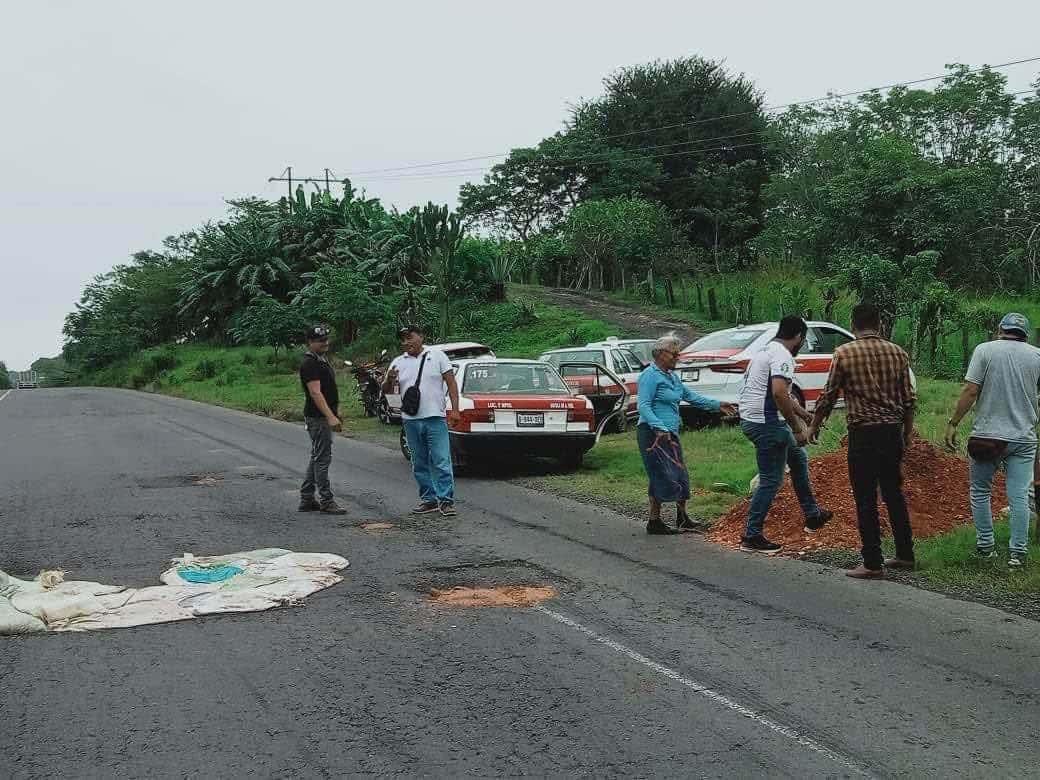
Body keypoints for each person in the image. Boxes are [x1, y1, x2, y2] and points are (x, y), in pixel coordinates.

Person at [809, 304, 916, 579]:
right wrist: (906, 433)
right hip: (891, 431)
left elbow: (829, 395)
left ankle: (872, 562)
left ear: (853, 324)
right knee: (894, 493)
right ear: (879, 324)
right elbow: (908, 400)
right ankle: (905, 554)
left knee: (865, 497)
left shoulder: (844, 353)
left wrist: (814, 425)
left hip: (864, 434)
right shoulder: (898, 353)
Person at [945, 313, 1040, 568]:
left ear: (1000, 329)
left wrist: (954, 422)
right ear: (1025, 334)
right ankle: (1017, 554)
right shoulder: (1037, 356)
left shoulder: (984, 350)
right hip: (1023, 438)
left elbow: (971, 390)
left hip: (987, 436)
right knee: (1018, 496)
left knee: (980, 491)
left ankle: (986, 547)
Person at [739, 315, 832, 554]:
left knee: (799, 459)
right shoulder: (783, 356)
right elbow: (779, 393)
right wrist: (796, 427)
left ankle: (812, 514)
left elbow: (785, 396)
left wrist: (806, 415)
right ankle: (752, 534)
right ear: (798, 336)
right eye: (803, 340)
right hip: (767, 424)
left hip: (755, 420)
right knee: (771, 479)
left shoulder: (767, 350)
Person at [637, 335, 736, 535]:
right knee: (661, 475)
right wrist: (658, 426)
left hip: (670, 434)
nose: (677, 357)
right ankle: (654, 522)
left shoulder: (672, 377)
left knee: (680, 475)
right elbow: (644, 406)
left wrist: (717, 405)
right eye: (674, 354)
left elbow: (691, 397)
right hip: (652, 434)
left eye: (678, 353)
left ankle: (682, 517)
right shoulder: (650, 375)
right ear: (661, 354)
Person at [383, 326, 462, 516]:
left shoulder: (437, 356)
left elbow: (451, 383)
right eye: (403, 340)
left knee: (441, 460)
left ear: (421, 336)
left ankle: (446, 500)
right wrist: (389, 379)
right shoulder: (398, 362)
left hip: (435, 417)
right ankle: (428, 499)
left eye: (410, 337)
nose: (406, 342)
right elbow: (386, 390)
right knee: (418, 462)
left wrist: (455, 410)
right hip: (410, 420)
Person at [298, 325, 348, 515]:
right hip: (318, 418)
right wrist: (330, 416)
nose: (325, 343)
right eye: (320, 341)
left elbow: (328, 389)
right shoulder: (310, 363)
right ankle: (326, 500)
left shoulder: (320, 360)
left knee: (317, 456)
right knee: (322, 458)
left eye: (326, 339)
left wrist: (335, 411)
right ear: (310, 343)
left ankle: (307, 497)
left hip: (321, 415)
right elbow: (315, 392)